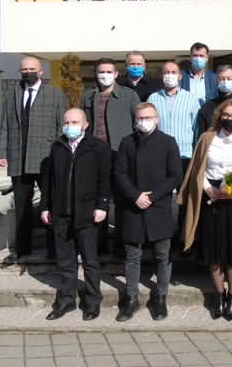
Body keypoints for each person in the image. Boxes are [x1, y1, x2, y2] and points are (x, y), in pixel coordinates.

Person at [178, 98, 232, 321]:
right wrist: (208, 189)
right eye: (226, 115)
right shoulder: (207, 138)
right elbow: (197, 168)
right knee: (214, 251)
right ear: (219, 116)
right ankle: (218, 295)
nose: (230, 119)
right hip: (210, 196)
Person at [40, 108, 111, 321]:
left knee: (90, 261)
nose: (70, 126)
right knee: (65, 261)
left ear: (85, 124)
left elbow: (105, 179)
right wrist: (45, 207)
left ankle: (92, 301)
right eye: (67, 122)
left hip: (87, 214)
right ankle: (66, 300)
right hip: (61, 214)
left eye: (74, 122)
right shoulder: (57, 147)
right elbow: (49, 181)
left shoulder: (98, 147)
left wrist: (102, 206)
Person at [114, 103, 183, 322]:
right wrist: (135, 195)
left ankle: (160, 297)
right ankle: (131, 297)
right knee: (132, 256)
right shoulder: (127, 142)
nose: (144, 121)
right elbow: (120, 173)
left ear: (157, 119)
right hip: (133, 206)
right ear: (135, 120)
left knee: (163, 256)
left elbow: (175, 175)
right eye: (140, 118)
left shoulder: (168, 142)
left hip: (159, 207)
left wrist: (152, 197)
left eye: (148, 117)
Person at [0, 56, 67, 260]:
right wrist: (1, 153)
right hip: (19, 158)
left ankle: (54, 250)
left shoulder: (55, 95)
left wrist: (61, 155)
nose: (28, 72)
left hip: (46, 158)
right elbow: (5, 125)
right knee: (21, 206)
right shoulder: (13, 94)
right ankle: (23, 249)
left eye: (32, 69)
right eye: (24, 69)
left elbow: (61, 127)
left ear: (41, 71)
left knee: (52, 203)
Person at [81, 58, 140, 254]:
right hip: (94, 156)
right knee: (98, 200)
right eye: (101, 72)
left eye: (108, 72)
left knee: (122, 201)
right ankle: (100, 245)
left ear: (116, 74)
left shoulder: (129, 95)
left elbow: (138, 124)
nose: (104, 75)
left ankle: (121, 245)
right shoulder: (88, 97)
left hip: (120, 155)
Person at [148, 62, 200, 244]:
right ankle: (161, 236)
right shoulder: (153, 98)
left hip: (185, 155)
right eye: (166, 72)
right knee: (161, 198)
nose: (169, 75)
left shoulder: (191, 99)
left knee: (184, 198)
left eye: (173, 72)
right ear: (161, 76)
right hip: (159, 157)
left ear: (180, 76)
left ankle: (184, 238)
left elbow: (196, 128)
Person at [196, 65, 232, 141]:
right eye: (221, 79)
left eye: (228, 78)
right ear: (216, 81)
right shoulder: (207, 108)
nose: (225, 81)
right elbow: (202, 137)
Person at [180, 42, 217, 107]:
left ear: (207, 58)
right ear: (190, 58)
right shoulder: (181, 77)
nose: (198, 58)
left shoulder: (213, 77)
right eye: (195, 56)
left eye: (201, 56)